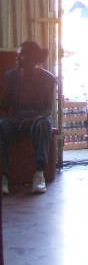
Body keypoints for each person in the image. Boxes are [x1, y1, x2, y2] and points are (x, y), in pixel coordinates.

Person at [0, 41, 57, 194]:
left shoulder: (48, 79)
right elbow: (5, 106)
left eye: (21, 56)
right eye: (17, 56)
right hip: (17, 119)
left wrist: (33, 118)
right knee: (2, 125)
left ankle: (39, 175)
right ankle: (3, 178)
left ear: (32, 59)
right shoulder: (11, 76)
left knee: (43, 124)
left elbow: (47, 109)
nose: (17, 59)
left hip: (36, 120)